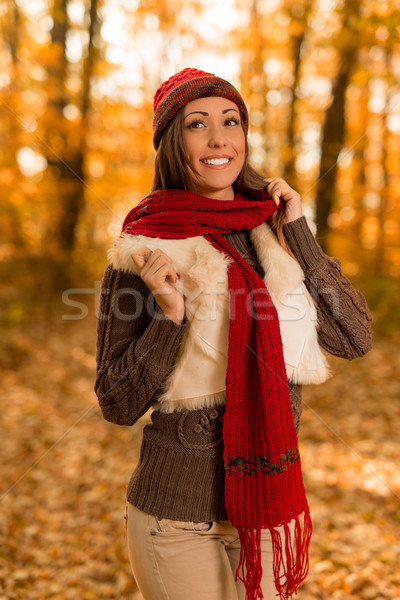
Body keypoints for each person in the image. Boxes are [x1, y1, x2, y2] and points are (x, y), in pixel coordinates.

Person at [95, 68, 372, 600]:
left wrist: (300, 236)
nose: (219, 138)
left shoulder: (274, 232)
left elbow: (353, 338)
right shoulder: (145, 249)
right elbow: (116, 401)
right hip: (176, 519)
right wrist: (170, 316)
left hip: (268, 512)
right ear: (174, 143)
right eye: (198, 124)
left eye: (231, 121)